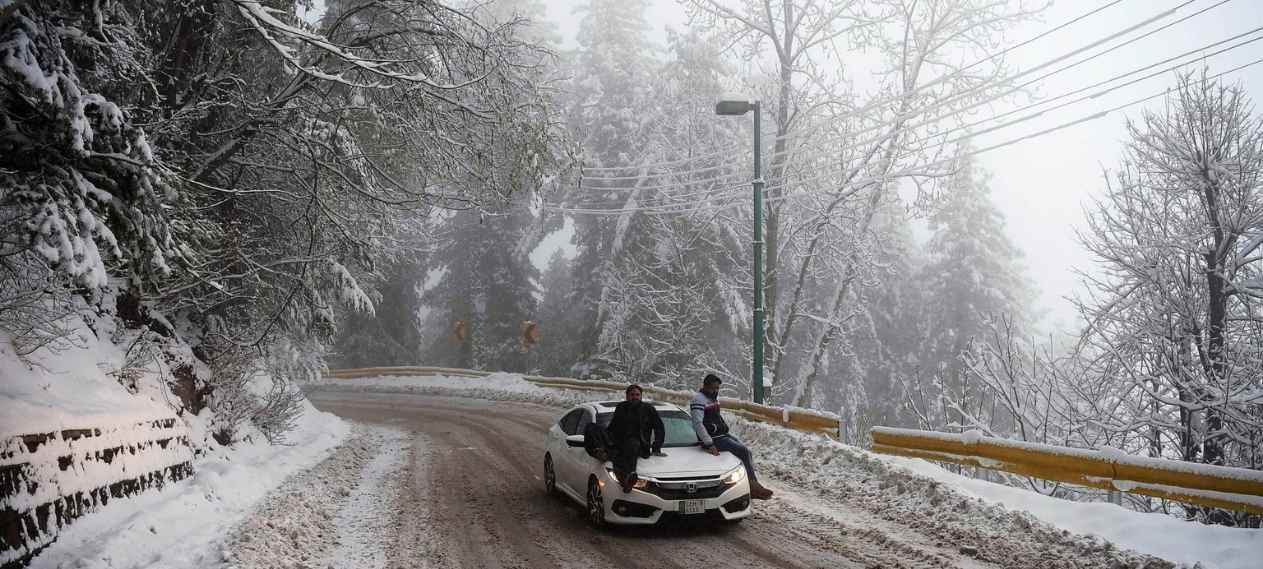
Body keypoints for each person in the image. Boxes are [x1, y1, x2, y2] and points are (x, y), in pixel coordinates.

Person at [690, 373, 773, 500]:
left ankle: (752, 483)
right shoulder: (699, 400)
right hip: (713, 438)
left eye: (717, 388)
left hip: (721, 434)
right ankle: (753, 487)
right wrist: (709, 443)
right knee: (742, 451)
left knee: (746, 451)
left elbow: (716, 417)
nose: (715, 391)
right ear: (705, 386)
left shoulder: (713, 399)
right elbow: (698, 424)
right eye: (713, 388)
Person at [605, 384, 665, 492]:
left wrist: (656, 446)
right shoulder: (621, 407)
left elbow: (659, 428)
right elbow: (612, 427)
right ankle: (599, 451)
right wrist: (605, 438)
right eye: (632, 395)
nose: (635, 397)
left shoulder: (648, 409)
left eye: (637, 395)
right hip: (619, 444)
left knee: (632, 443)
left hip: (639, 446)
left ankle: (629, 476)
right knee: (591, 428)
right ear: (627, 396)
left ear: (641, 396)